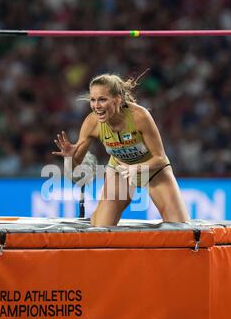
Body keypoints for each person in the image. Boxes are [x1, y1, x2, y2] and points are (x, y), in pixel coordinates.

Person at [52, 73, 190, 226]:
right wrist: (70, 158)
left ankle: (97, 215)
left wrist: (135, 168)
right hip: (120, 170)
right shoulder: (92, 122)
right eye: (93, 100)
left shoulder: (140, 116)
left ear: (118, 99)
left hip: (153, 170)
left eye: (102, 99)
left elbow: (160, 159)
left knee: (181, 229)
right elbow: (74, 173)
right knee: (102, 229)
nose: (96, 106)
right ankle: (97, 217)